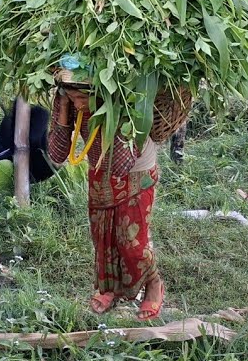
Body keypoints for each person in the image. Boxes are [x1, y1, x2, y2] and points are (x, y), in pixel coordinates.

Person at [47, 83, 170, 320]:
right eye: (73, 95)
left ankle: (154, 284)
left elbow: (121, 164)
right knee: (103, 237)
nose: (78, 101)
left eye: (83, 96)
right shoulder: (68, 99)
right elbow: (57, 154)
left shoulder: (125, 99)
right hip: (99, 169)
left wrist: (106, 108)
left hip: (135, 171)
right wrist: (64, 106)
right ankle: (109, 289)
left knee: (132, 243)